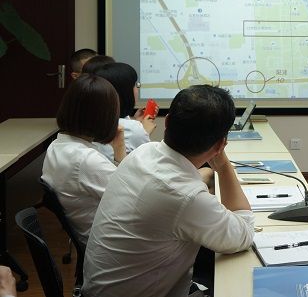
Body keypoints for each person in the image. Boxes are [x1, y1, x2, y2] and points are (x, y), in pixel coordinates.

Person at [82, 85, 255, 297]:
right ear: (220, 145)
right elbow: (244, 234)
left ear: (167, 121)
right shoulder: (188, 198)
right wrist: (224, 166)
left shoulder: (142, 153)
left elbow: (171, 188)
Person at [41, 74, 125, 245]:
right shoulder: (86, 160)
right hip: (107, 242)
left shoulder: (58, 145)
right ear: (104, 116)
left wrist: (118, 149)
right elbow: (132, 197)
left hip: (90, 235)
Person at [92, 62, 156, 161]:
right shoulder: (133, 129)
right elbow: (145, 164)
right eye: (135, 85)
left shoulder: (92, 120)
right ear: (126, 92)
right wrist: (144, 131)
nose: (137, 89)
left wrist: (135, 122)